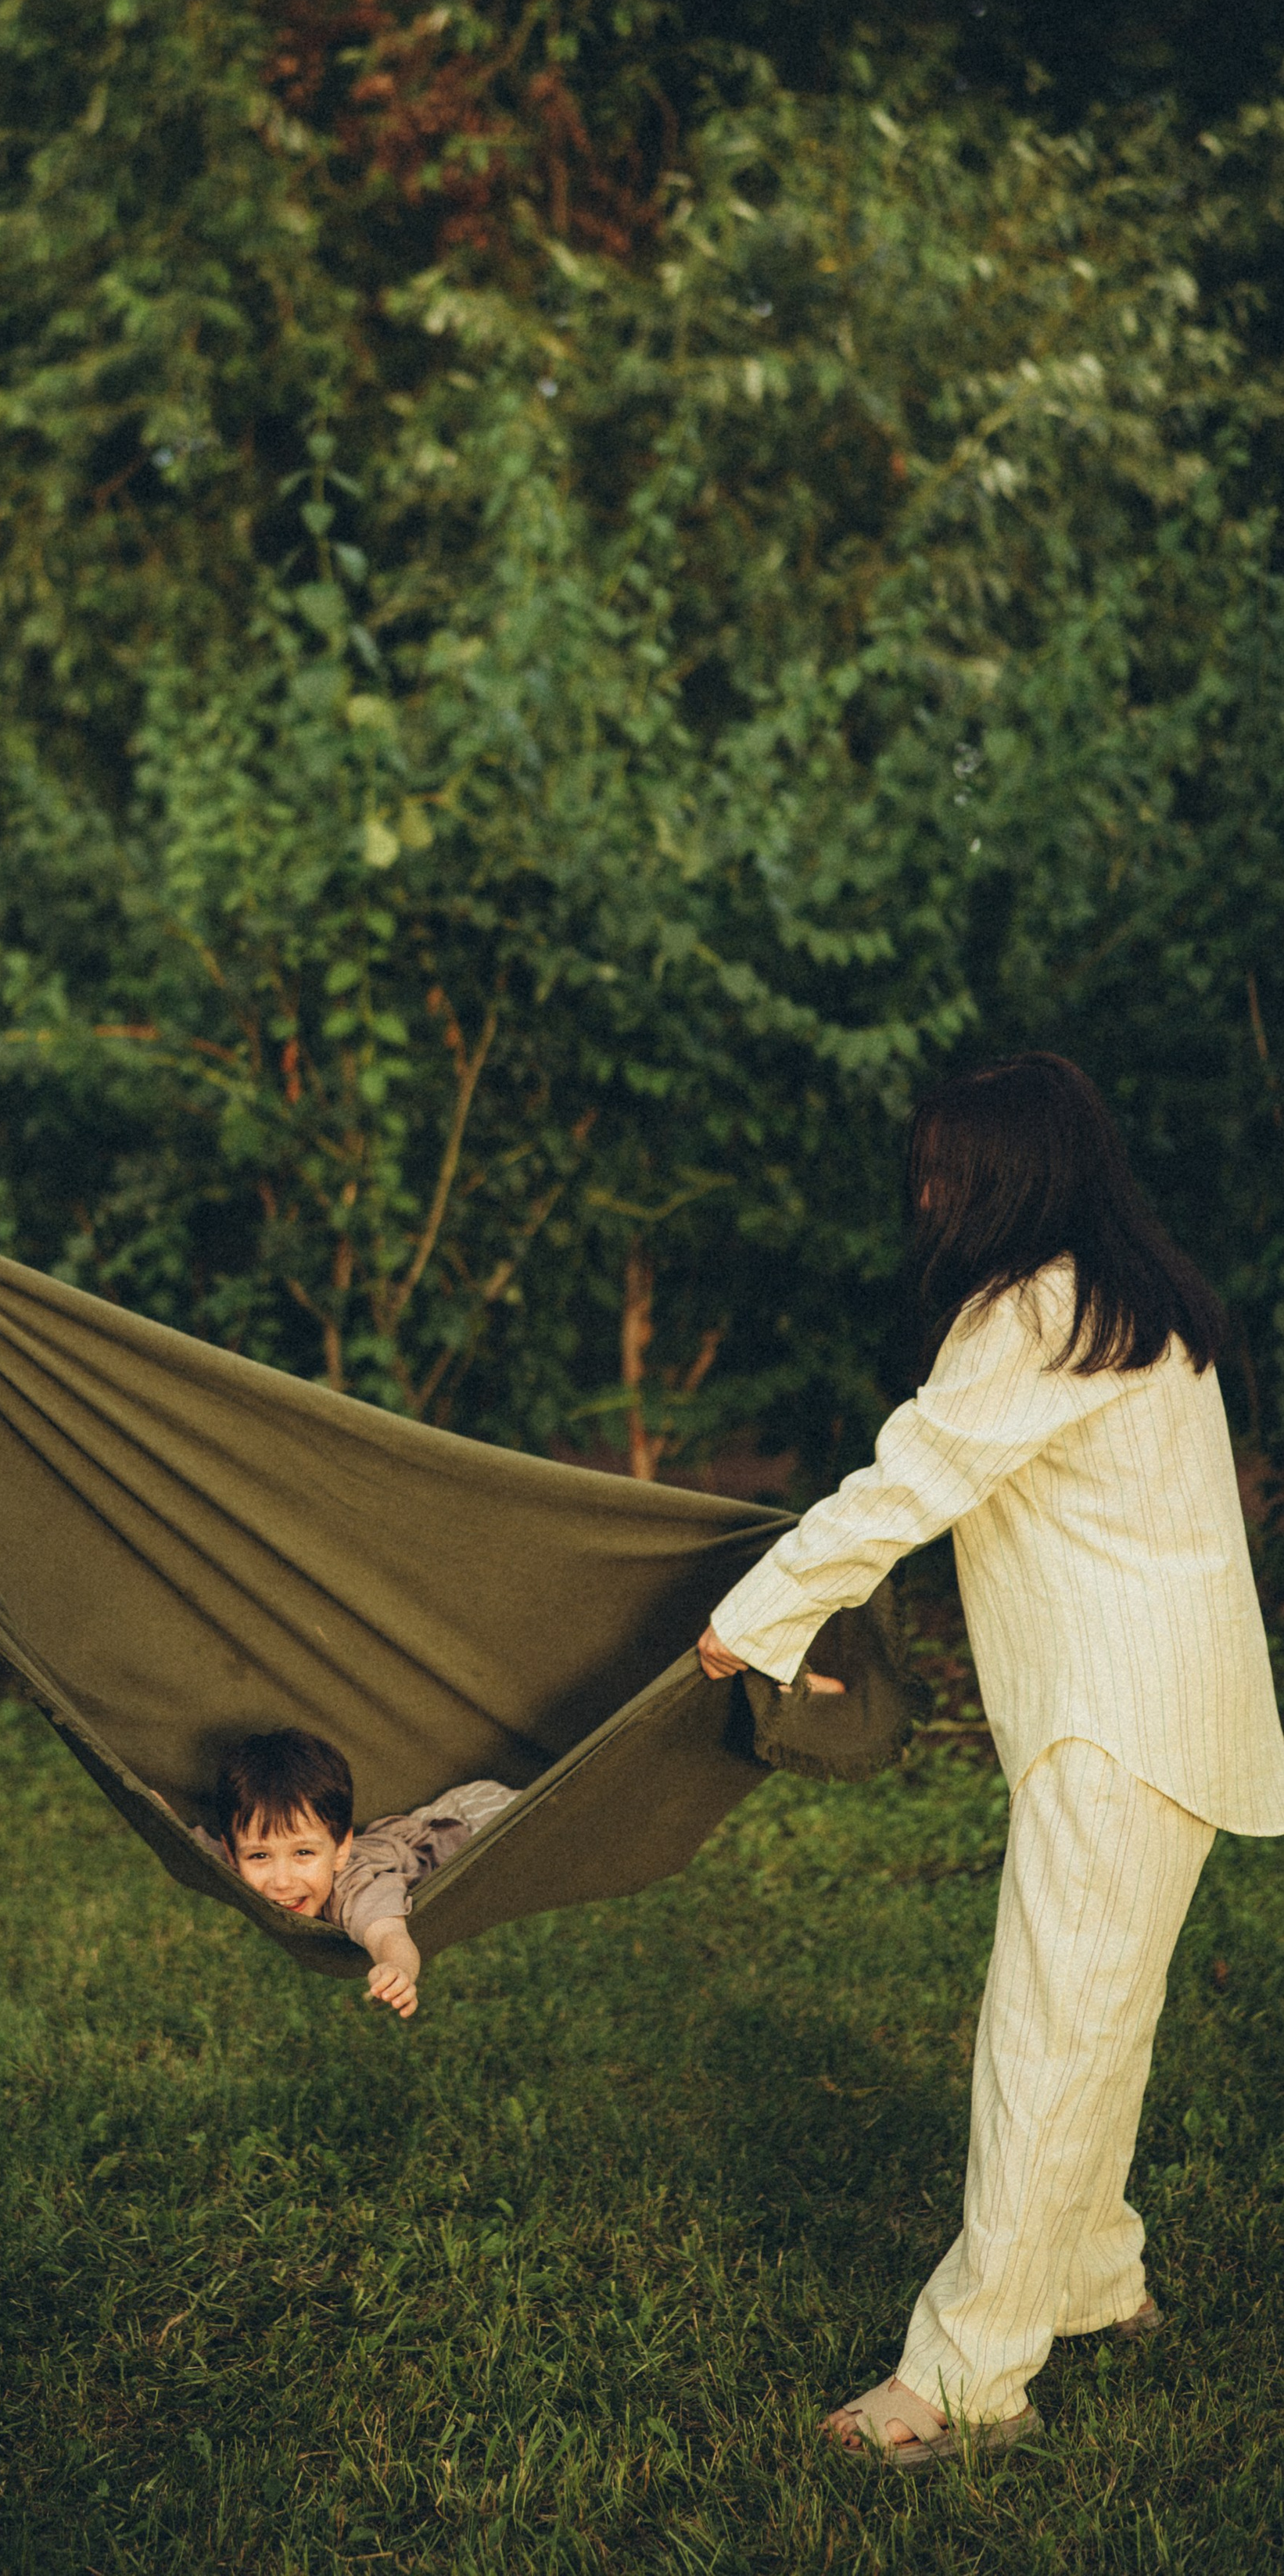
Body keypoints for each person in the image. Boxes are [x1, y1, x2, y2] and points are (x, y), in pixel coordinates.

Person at [695, 1052, 1284, 2467]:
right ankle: (1092, 2277)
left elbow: (911, 1479)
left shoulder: (1039, 1309)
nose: (926, 1190)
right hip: (1170, 1717)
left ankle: (964, 2382)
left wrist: (751, 1621)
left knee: (1048, 2038)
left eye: (947, 1166)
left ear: (1007, 1176)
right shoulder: (1133, 1301)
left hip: (1118, 1727)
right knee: (1101, 2022)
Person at [203, 1726, 514, 2018]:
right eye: (260, 1855)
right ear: (234, 1855)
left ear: (341, 1850)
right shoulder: (233, 1859)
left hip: (480, 1820)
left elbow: (389, 1935)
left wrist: (396, 1968)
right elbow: (197, 1845)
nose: (282, 1881)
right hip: (421, 1824)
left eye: (303, 1853)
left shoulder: (354, 1891)